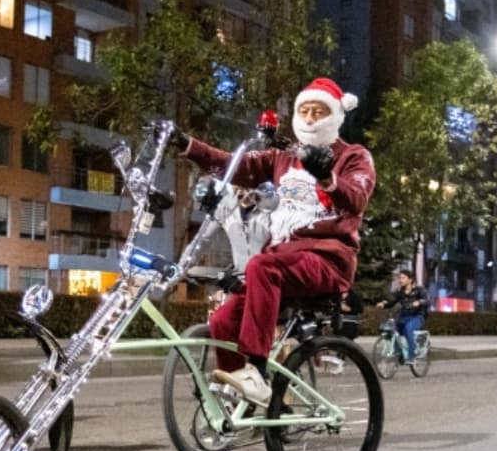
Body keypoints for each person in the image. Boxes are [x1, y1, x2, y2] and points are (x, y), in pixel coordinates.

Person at [169, 77, 375, 402]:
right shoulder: (283, 157)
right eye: (304, 110)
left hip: (326, 259)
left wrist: (327, 176)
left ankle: (256, 369)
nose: (309, 117)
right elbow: (231, 165)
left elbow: (357, 198)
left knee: (262, 267)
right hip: (285, 259)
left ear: (335, 116)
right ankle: (242, 395)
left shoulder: (353, 156)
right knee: (223, 319)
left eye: (318, 111)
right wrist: (187, 145)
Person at [376, 270, 429, 364]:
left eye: (403, 278)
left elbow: (427, 301)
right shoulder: (401, 292)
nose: (400, 280)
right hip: (403, 317)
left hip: (417, 317)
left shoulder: (419, 290)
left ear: (410, 279)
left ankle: (412, 356)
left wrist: (419, 302)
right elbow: (391, 301)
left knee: (408, 329)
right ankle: (399, 353)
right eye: (399, 278)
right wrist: (383, 304)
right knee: (391, 330)